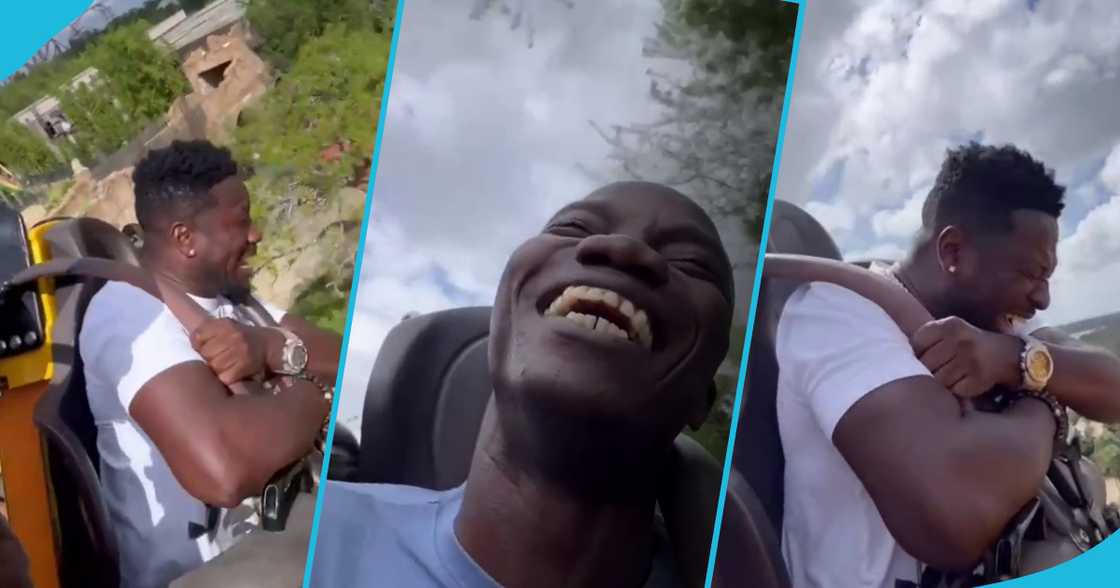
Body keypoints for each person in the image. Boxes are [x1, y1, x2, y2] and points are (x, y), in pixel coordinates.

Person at [311, 181, 735, 587]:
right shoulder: (308, 542)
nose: (623, 249)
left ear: (702, 399)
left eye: (691, 264)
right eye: (572, 228)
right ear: (498, 327)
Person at [776, 142, 1120, 588]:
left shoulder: (995, 327)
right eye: (1032, 275)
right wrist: (1044, 400)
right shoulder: (837, 313)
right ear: (954, 252)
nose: (1043, 299)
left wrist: (1015, 360)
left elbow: (1113, 389)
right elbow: (955, 518)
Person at [80, 140, 341, 588]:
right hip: (204, 573)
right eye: (241, 221)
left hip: (280, 536)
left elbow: (340, 355)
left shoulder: (237, 304)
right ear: (185, 238)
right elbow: (224, 471)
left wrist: (271, 348)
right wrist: (314, 391)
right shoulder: (130, 316)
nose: (255, 234)